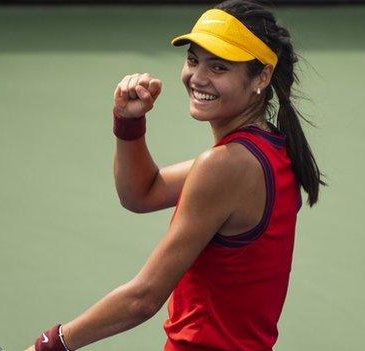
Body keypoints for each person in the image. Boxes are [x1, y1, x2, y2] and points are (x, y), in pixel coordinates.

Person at [25, 1, 325, 350]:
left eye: (219, 67)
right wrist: (129, 123)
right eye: (194, 60)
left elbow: (144, 297)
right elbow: (141, 193)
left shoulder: (227, 166)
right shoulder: (271, 150)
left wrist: (51, 344)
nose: (198, 77)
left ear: (262, 76)